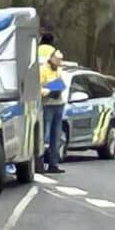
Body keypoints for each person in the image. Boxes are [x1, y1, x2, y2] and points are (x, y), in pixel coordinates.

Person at [37, 44, 68, 174]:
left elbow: (62, 84)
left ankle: (53, 164)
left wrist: (59, 88)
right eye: (57, 60)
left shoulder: (59, 71)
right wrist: (48, 91)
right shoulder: (42, 70)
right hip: (47, 105)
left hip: (58, 104)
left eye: (60, 61)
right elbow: (37, 88)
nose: (58, 63)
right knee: (44, 136)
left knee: (56, 135)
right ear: (51, 59)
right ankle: (39, 163)